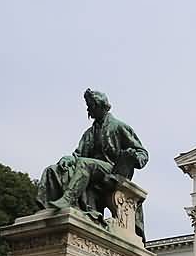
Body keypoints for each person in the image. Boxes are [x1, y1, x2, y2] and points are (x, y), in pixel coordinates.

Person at [37, 88, 149, 237]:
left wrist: (132, 157)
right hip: (90, 169)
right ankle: (47, 206)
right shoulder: (89, 133)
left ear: (101, 106)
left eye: (91, 106)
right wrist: (68, 159)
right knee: (52, 169)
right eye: (88, 106)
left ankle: (68, 199)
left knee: (85, 164)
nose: (89, 110)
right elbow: (78, 154)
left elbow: (143, 154)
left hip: (112, 170)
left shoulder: (119, 127)